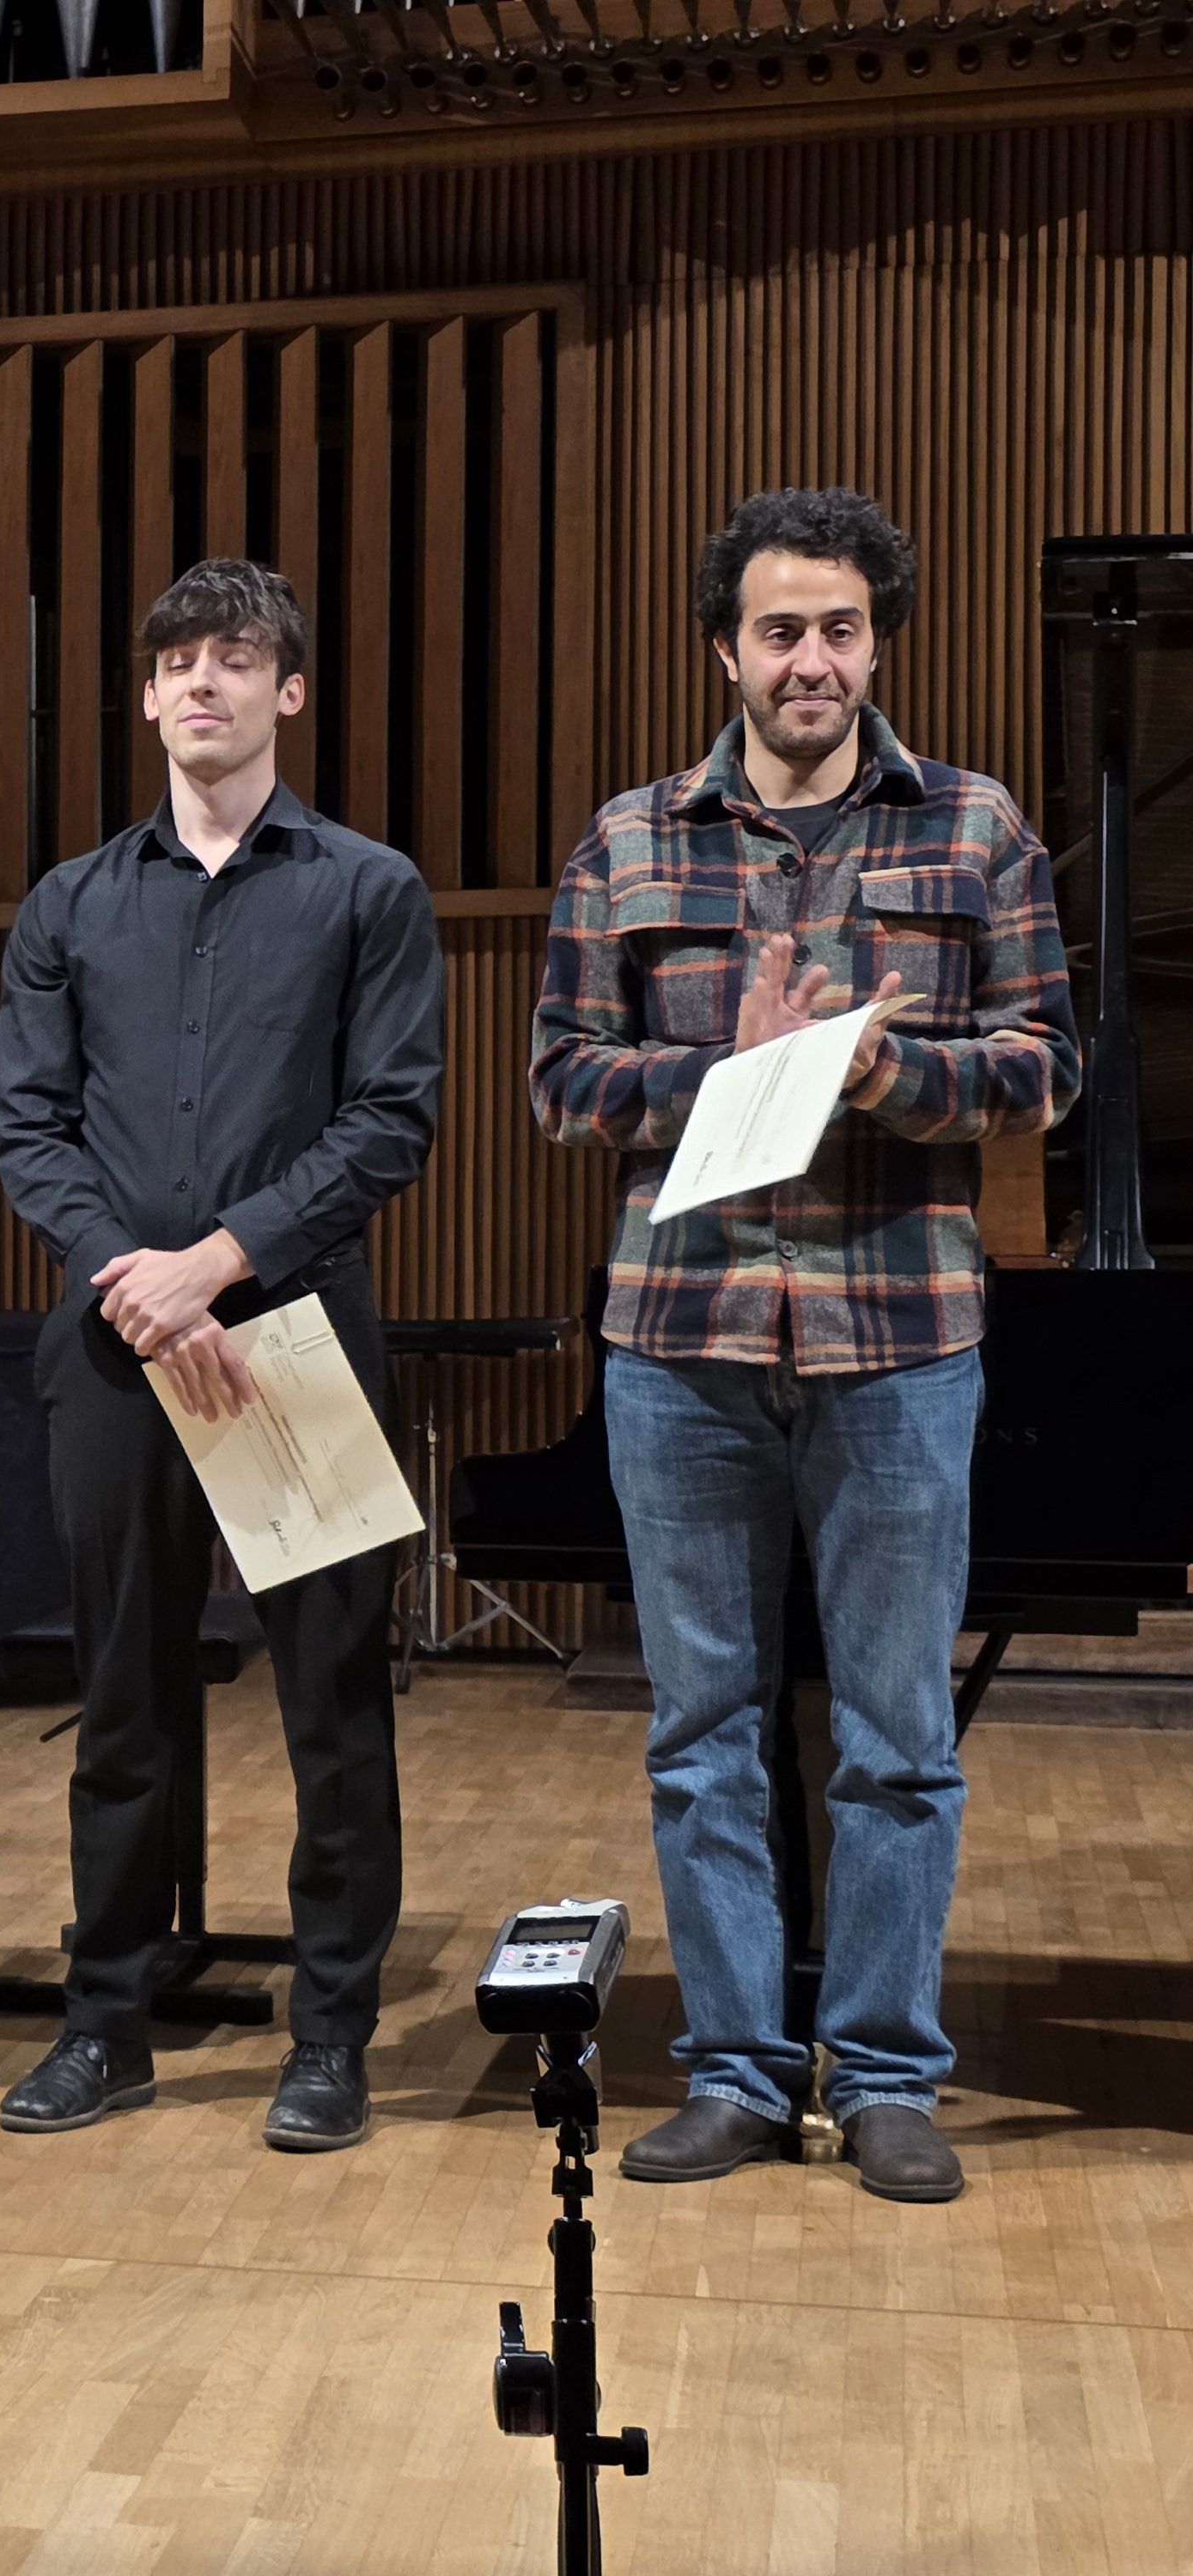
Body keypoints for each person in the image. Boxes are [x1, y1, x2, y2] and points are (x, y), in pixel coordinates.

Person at [530, 489, 1076, 2206]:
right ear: (726, 651)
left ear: (875, 642)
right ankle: (737, 2072)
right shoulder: (629, 842)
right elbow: (560, 1080)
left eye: (840, 628)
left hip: (899, 1344)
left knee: (897, 1737)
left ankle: (889, 2075)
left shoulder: (975, 828)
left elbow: (1046, 1069)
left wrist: (877, 1070)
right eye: (779, 631)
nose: (810, 661)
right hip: (679, 1343)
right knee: (701, 1731)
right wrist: (725, 1075)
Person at [0, 560, 443, 2154]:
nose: (202, 683)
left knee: (333, 1705)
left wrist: (217, 1263)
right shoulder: (69, 904)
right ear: (145, 696)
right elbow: (27, 1124)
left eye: (235, 659)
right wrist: (140, 1281)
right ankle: (105, 2025)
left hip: (294, 1336)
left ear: (288, 692)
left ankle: (331, 2039)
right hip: (120, 1345)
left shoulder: (369, 889)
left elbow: (392, 1119)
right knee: (122, 1697)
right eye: (176, 660)